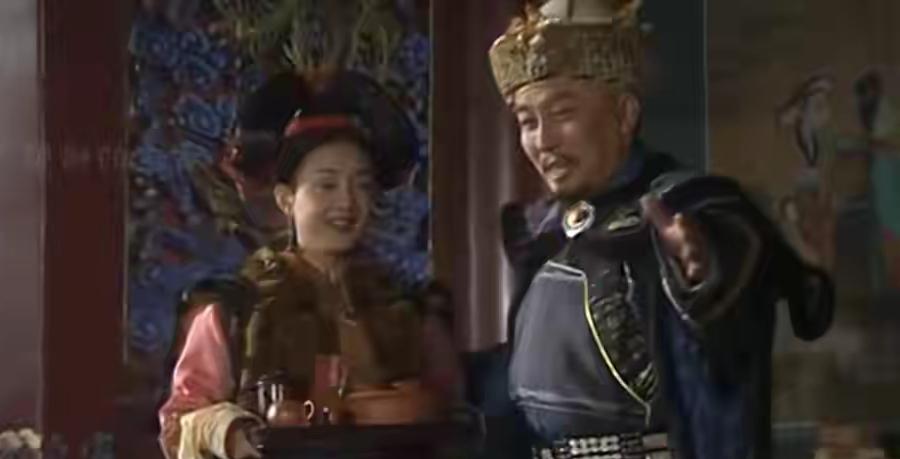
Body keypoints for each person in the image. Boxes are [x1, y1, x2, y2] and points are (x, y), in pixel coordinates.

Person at [475, 0, 835, 458]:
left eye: (562, 113)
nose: (542, 141)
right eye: (528, 122)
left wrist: (701, 275)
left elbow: (729, 265)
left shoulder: (688, 205)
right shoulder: (544, 232)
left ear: (624, 114)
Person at [158, 70, 461, 459]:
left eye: (362, 185)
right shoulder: (235, 308)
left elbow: (454, 411)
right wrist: (232, 433)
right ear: (286, 199)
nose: (347, 202)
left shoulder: (411, 309)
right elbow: (179, 422)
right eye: (326, 185)